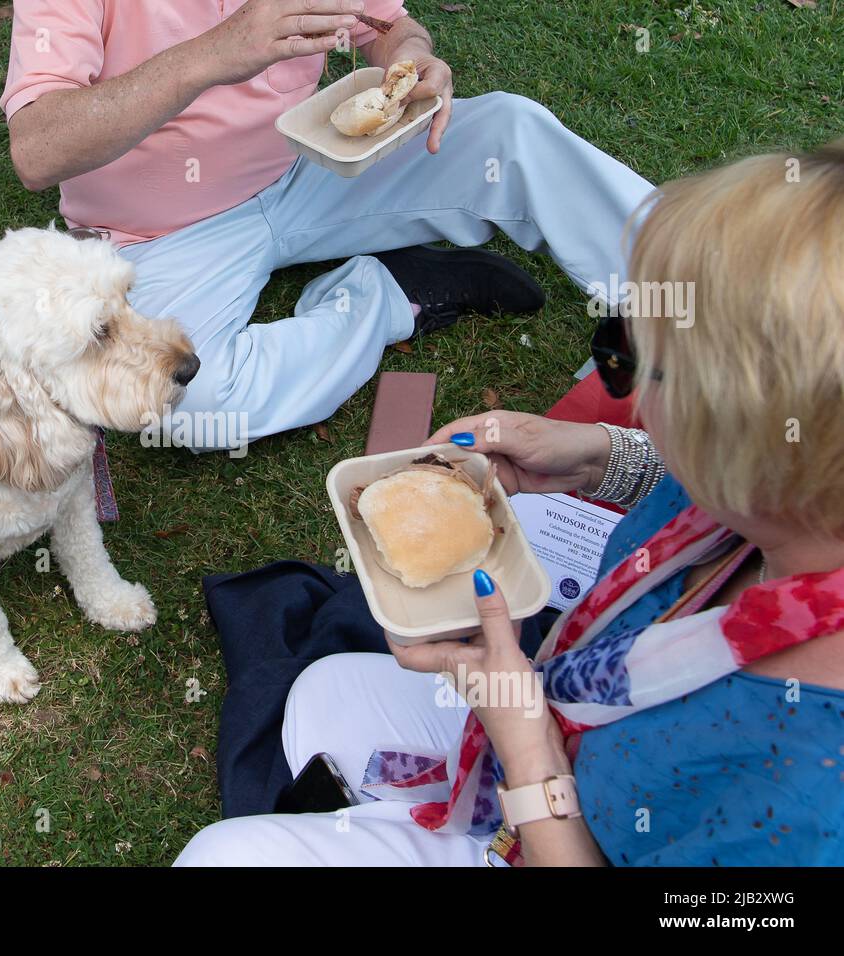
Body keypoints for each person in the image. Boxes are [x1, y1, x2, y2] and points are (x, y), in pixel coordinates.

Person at [175, 140, 844, 865]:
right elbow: (705, 488)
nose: (624, 390)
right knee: (321, 695)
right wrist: (596, 458)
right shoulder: (792, 497)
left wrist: (526, 750)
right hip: (570, 721)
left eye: (631, 361)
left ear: (746, 441)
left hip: (565, 824)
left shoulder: (811, 799)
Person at [1, 1, 654, 450]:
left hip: (313, 164)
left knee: (512, 130)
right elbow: (38, 149)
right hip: (157, 233)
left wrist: (413, 57)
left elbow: (385, 24)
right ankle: (387, 295)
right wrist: (215, 53)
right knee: (179, 404)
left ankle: (694, 301)